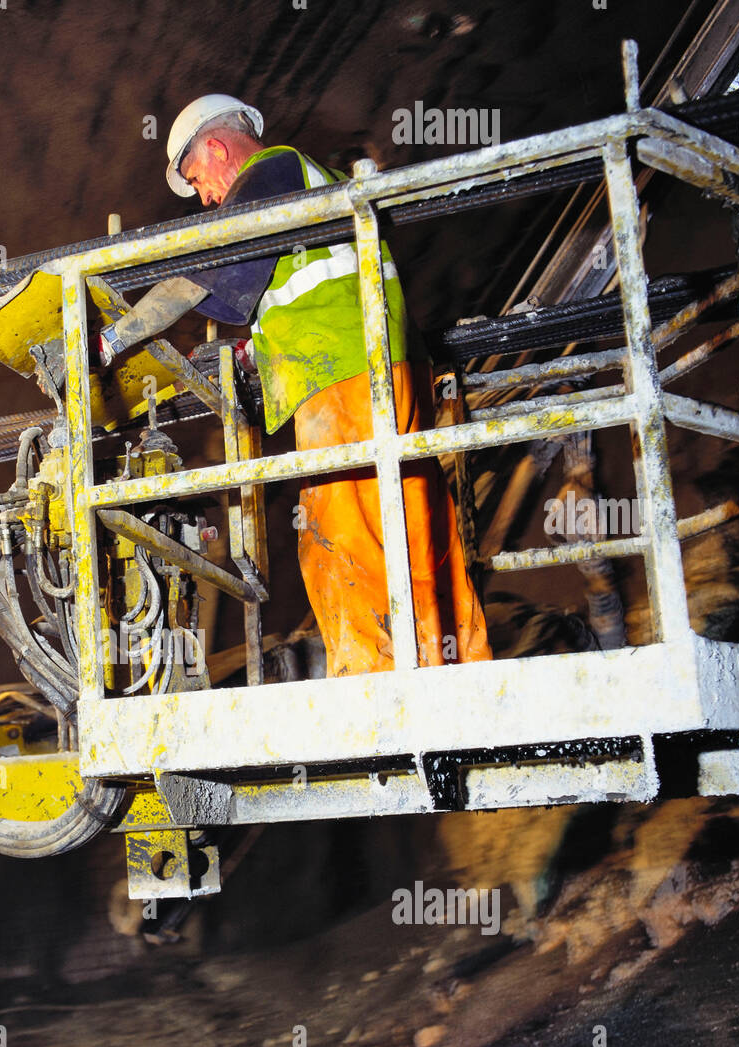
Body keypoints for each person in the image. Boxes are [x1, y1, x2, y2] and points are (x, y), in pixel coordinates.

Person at [96, 94, 492, 677]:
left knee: (337, 537)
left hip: (341, 382)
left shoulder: (269, 171)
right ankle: (461, 668)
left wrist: (110, 340)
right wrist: (254, 347)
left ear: (215, 147)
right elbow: (309, 290)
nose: (207, 196)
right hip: (386, 370)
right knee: (413, 533)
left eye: (199, 179)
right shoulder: (310, 181)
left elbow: (200, 282)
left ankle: (372, 689)